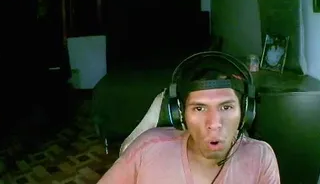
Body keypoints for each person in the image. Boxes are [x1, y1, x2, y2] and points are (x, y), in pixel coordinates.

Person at [100, 52, 280, 184]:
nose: (214, 123)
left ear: (246, 112)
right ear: (180, 114)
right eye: (199, 108)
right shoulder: (147, 148)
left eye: (226, 107)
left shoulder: (260, 157)